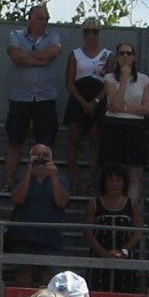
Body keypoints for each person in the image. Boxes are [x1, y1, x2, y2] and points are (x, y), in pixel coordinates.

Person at [3, 4, 62, 189]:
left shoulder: (53, 36)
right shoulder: (15, 35)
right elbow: (16, 56)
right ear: (30, 19)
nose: (44, 22)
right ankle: (8, 181)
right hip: (20, 98)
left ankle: (43, 184)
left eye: (47, 19)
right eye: (41, 18)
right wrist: (40, 59)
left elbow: (53, 52)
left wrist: (26, 56)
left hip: (45, 98)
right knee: (14, 142)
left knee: (45, 146)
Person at [4, 145, 69, 286]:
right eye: (37, 155)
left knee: (49, 283)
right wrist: (29, 171)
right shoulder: (21, 178)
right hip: (24, 238)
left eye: (45, 155)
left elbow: (62, 202)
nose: (41, 158)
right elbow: (17, 199)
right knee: (23, 281)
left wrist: (53, 176)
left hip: (50, 239)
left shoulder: (61, 179)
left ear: (51, 159)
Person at [99, 41, 149, 198]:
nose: (125, 57)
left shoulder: (143, 79)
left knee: (133, 173)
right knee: (112, 172)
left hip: (134, 126)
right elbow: (114, 104)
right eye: (121, 53)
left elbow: (147, 108)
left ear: (134, 57)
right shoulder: (109, 78)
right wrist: (123, 78)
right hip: (113, 125)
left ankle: (131, 208)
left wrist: (126, 108)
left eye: (129, 53)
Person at [62, 20, 109, 192]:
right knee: (74, 141)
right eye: (87, 31)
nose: (91, 35)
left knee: (95, 141)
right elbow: (69, 82)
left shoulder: (107, 55)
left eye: (95, 31)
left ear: (99, 33)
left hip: (98, 99)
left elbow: (109, 82)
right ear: (83, 34)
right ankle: (72, 181)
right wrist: (83, 102)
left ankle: (92, 182)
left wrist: (95, 101)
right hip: (78, 99)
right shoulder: (75, 54)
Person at [83, 165, 141, 294]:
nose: (114, 184)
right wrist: (103, 253)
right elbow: (88, 232)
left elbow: (137, 233)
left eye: (118, 181)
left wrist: (123, 252)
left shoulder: (132, 205)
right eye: (111, 181)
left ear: (124, 183)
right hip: (99, 258)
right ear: (105, 183)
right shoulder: (93, 204)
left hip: (125, 259)